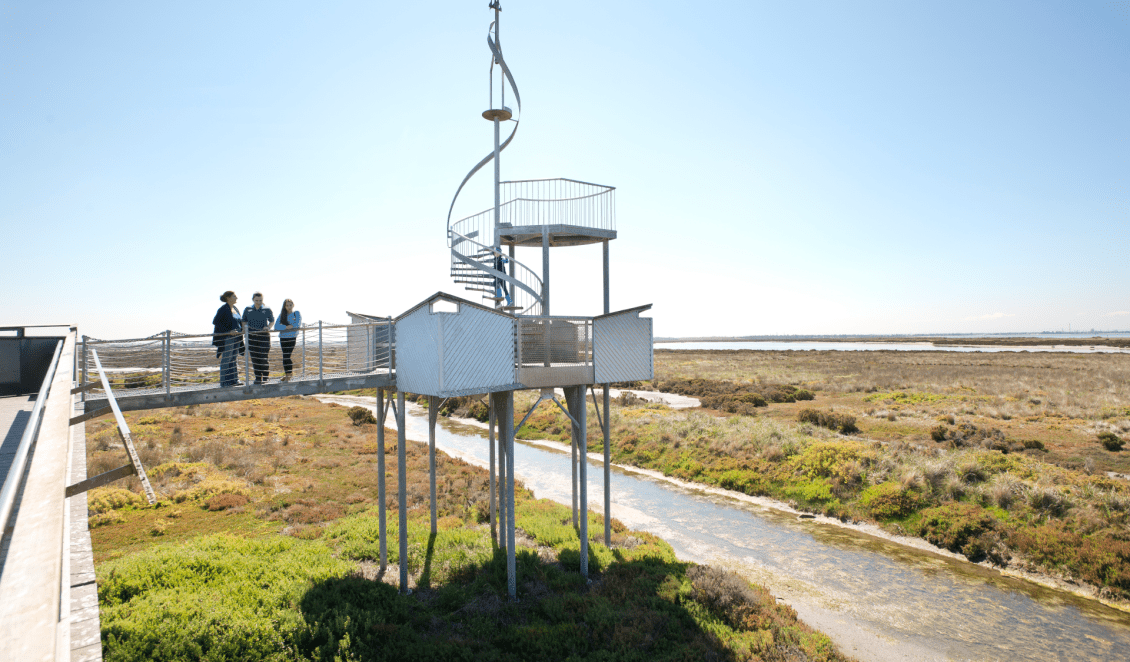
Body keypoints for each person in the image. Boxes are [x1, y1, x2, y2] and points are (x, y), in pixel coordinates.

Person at [212, 291, 244, 387]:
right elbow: (216, 322)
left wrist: (242, 330)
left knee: (234, 358)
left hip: (237, 337)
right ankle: (224, 382)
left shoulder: (235, 308)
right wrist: (228, 331)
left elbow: (239, 322)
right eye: (234, 296)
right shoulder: (223, 309)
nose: (236, 297)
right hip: (228, 338)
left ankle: (234, 380)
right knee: (227, 359)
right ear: (228, 298)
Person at [242, 292, 275, 385]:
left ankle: (265, 377)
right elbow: (243, 321)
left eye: (260, 300)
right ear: (253, 300)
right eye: (256, 300)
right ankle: (257, 378)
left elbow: (272, 321)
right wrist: (245, 330)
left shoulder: (267, 309)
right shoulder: (247, 309)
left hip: (264, 336)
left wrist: (268, 327)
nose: (258, 302)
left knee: (263, 357)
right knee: (254, 358)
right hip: (251, 337)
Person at [274, 298, 302, 382]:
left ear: (293, 305)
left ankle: (289, 375)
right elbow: (276, 326)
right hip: (283, 338)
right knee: (285, 356)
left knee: (287, 356)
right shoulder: (282, 315)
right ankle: (287, 375)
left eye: (290, 305)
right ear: (284, 306)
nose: (289, 307)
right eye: (287, 305)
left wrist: (287, 326)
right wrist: (286, 327)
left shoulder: (296, 313)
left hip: (292, 337)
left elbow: (297, 324)